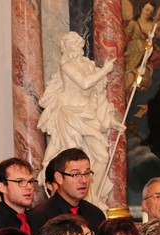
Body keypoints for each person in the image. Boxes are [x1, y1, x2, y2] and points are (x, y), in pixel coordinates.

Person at [37, 32, 123, 211]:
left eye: (77, 45)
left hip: (87, 115)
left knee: (102, 157)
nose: (75, 49)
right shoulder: (66, 67)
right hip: (69, 114)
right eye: (71, 46)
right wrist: (105, 70)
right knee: (73, 160)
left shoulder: (86, 65)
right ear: (66, 49)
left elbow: (98, 97)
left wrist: (112, 122)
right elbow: (84, 84)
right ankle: (70, 200)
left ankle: (91, 198)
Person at [30, 148, 106, 235]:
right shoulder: (40, 216)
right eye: (75, 174)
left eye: (87, 173)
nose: (84, 180)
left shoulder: (95, 214)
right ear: (59, 178)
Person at [0, 157, 35, 235]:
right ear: (2, 187)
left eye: (30, 181)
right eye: (20, 181)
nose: (29, 187)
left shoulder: (38, 219)